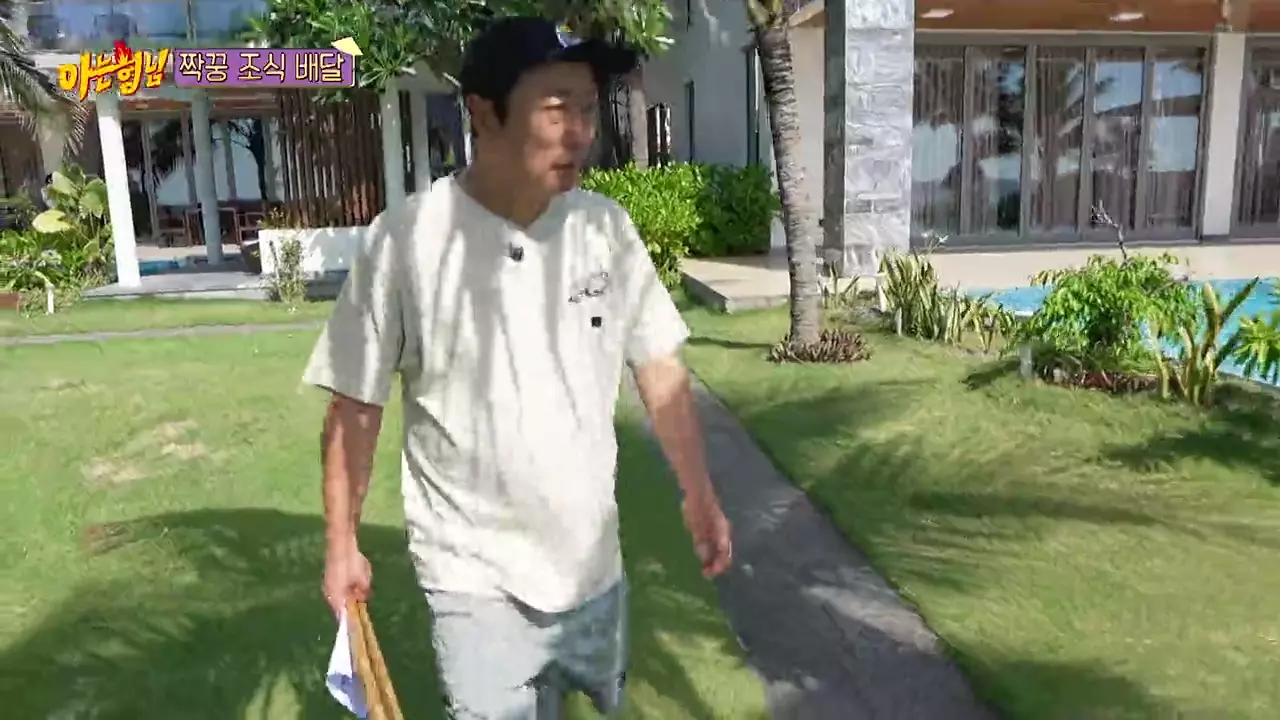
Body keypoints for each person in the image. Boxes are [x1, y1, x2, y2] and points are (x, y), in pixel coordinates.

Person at [303, 17, 733, 719]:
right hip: (473, 581)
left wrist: (700, 495)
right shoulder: (407, 240)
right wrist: (341, 545)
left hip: (594, 569)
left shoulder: (605, 229)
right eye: (556, 107)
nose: (580, 132)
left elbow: (660, 369)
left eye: (588, 108)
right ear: (484, 114)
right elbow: (355, 405)